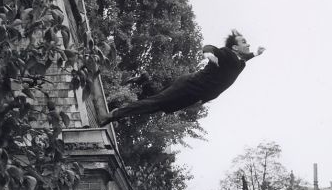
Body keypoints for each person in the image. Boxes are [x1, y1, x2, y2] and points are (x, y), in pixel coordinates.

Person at [100, 30, 265, 124]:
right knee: (156, 103)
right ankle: (113, 114)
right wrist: (208, 53)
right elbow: (210, 47)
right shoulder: (227, 54)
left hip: (194, 96)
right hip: (189, 85)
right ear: (235, 47)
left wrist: (256, 54)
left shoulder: (240, 63)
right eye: (244, 42)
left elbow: (245, 57)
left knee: (160, 108)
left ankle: (144, 81)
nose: (248, 44)